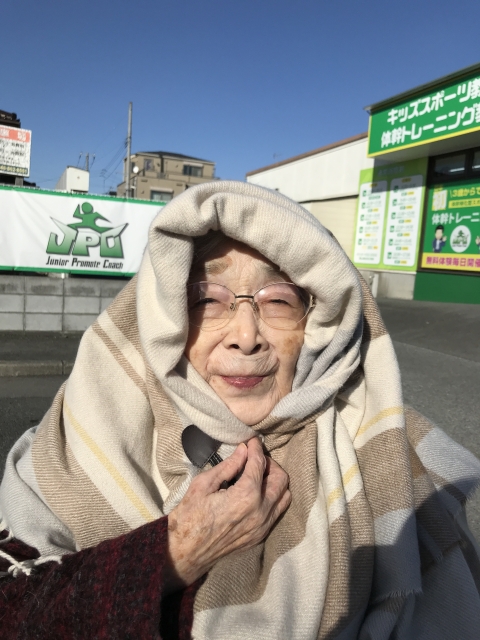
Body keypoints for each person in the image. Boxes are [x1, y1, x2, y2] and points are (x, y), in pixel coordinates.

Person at [1, 181, 480, 639]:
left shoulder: (392, 459)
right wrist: (174, 552)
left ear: (318, 326)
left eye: (279, 301)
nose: (246, 336)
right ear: (161, 316)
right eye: (206, 299)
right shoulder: (71, 445)